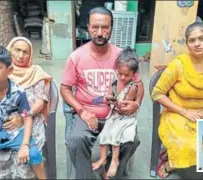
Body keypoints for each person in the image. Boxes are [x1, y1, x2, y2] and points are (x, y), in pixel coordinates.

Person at [61, 7, 144, 179]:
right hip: (87, 114)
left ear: (112, 28)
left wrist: (136, 104)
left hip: (117, 115)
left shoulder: (123, 57)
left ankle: (112, 173)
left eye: (105, 27)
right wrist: (81, 111)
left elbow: (138, 83)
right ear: (88, 27)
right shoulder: (76, 57)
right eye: (95, 27)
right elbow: (65, 88)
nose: (100, 32)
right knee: (75, 140)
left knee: (131, 140)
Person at [151, 21, 203, 178]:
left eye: (201, 38)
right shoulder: (178, 64)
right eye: (192, 40)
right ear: (187, 44)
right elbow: (157, 93)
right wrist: (185, 111)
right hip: (177, 114)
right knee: (182, 141)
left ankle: (180, 161)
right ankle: (171, 163)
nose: (197, 44)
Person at [0, 46, 46, 179]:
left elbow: (27, 117)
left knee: (34, 154)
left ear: (9, 70)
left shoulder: (18, 92)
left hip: (15, 132)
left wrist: (25, 145)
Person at [92, 47, 139, 177]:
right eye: (120, 74)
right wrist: (108, 98)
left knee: (115, 134)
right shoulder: (114, 82)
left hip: (125, 117)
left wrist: (116, 102)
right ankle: (102, 159)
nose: (123, 77)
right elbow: (109, 94)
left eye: (127, 75)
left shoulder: (132, 87)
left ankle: (114, 160)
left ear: (133, 74)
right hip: (114, 114)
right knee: (105, 133)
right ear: (116, 71)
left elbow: (124, 105)